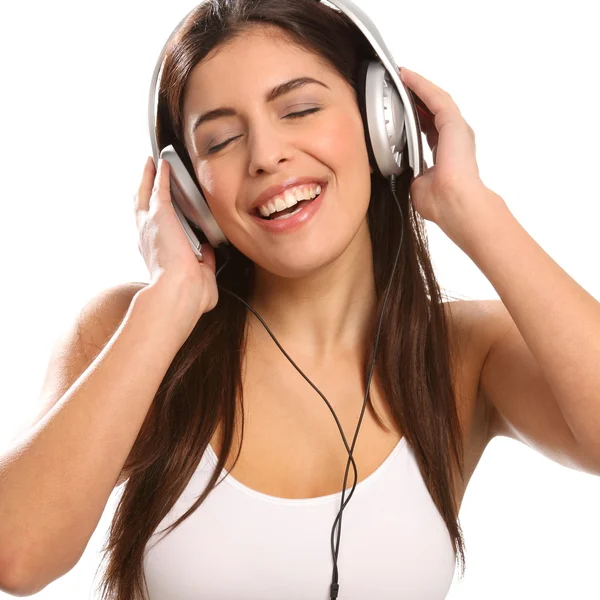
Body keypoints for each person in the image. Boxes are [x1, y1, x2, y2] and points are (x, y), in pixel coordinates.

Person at [1, 0, 599, 598]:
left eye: (300, 109)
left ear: (380, 122)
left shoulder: (464, 354)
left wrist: (472, 209)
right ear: (187, 190)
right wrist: (168, 300)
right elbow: (16, 556)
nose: (265, 156)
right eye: (222, 140)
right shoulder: (132, 333)